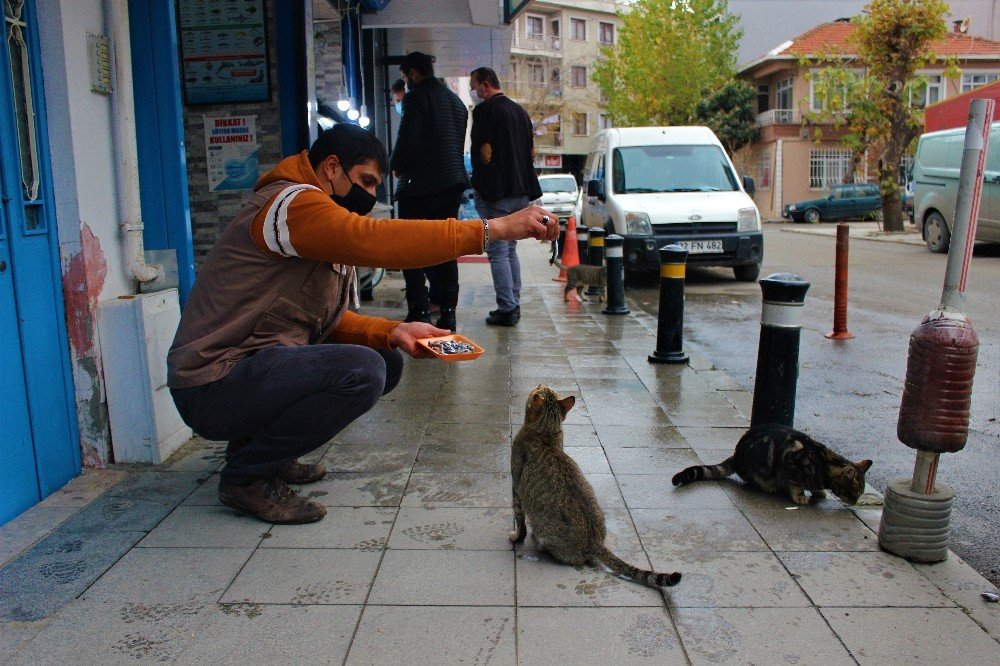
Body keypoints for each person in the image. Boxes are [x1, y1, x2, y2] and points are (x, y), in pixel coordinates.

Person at [167, 123, 556, 524]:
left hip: (252, 370)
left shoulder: (317, 219)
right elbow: (372, 240)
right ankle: (245, 478)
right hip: (211, 383)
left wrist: (394, 331)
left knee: (384, 358)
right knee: (362, 371)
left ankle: (263, 453)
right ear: (332, 167)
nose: (371, 197)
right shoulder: (291, 204)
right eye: (366, 182)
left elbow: (328, 321)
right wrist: (494, 229)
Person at [390, 52, 469, 331]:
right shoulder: (458, 103)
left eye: (404, 77)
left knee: (411, 246)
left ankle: (419, 311)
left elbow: (407, 138)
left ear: (412, 73)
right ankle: (448, 312)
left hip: (418, 188)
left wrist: (396, 164)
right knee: (446, 247)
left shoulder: (416, 98)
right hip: (451, 185)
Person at [469, 66, 542, 327]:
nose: (473, 91)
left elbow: (482, 154)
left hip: (496, 193)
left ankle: (507, 307)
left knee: (498, 250)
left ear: (486, 85)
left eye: (475, 86)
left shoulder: (485, 111)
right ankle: (514, 302)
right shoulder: (520, 112)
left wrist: (480, 187)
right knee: (510, 249)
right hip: (521, 190)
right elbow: (531, 152)